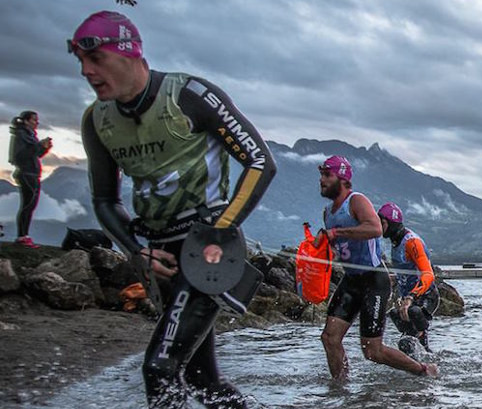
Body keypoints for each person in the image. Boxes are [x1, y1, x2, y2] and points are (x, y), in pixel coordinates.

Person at [71, 11, 278, 408]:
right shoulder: (97, 120)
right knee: (203, 382)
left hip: (209, 247)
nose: (86, 71)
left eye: (95, 59)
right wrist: (136, 249)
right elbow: (104, 200)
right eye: (80, 61)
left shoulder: (190, 96)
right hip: (159, 252)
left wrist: (218, 232)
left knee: (158, 368)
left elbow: (260, 162)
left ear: (129, 53)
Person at [318, 155, 438, 379]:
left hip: (373, 281)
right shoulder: (328, 213)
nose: (321, 180)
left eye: (327, 175)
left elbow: (374, 229)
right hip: (351, 280)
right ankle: (340, 390)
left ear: (342, 179)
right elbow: (339, 246)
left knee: (372, 351)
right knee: (329, 338)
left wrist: (337, 233)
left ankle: (424, 370)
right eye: (321, 175)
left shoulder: (356, 201)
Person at [378, 202, 439, 354]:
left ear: (391, 223)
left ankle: (425, 356)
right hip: (408, 297)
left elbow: (428, 274)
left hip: (426, 296)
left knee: (414, 314)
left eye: (382, 223)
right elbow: (403, 273)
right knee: (394, 317)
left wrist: (411, 297)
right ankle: (416, 361)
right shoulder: (395, 242)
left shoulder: (412, 242)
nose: (379, 227)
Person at [8, 111, 52, 248]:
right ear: (26, 121)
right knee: (28, 205)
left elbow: (35, 154)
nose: (36, 122)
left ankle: (24, 236)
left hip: (32, 174)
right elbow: (21, 155)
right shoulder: (21, 135)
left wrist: (44, 148)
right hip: (27, 174)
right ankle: (22, 237)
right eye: (34, 120)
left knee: (30, 206)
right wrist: (39, 146)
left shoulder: (28, 135)